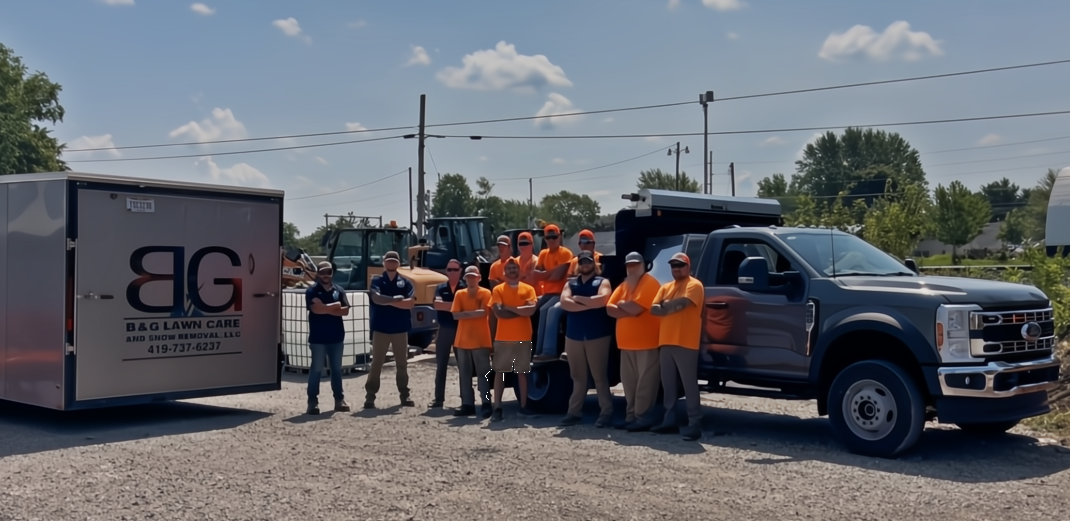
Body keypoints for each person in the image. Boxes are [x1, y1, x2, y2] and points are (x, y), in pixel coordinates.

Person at [650, 252, 705, 441]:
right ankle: (669, 420)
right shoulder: (666, 287)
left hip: (686, 341)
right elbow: (653, 309)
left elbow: (684, 303)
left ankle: (694, 423)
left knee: (689, 384)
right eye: (673, 266)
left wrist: (666, 306)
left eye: (680, 265)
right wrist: (671, 306)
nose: (676, 269)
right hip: (665, 341)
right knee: (668, 385)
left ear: (688, 267)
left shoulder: (694, 285)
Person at [606, 252, 662, 431]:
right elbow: (609, 309)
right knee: (629, 384)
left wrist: (623, 305)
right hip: (625, 344)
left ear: (643, 265)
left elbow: (636, 308)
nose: (632, 267)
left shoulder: (649, 282)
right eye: (629, 265)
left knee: (646, 383)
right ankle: (631, 416)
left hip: (647, 343)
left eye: (636, 264)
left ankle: (643, 417)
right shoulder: (624, 284)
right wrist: (627, 307)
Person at [558, 250, 615, 427]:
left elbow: (603, 300)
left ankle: (606, 411)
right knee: (577, 376)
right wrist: (589, 304)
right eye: (582, 262)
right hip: (573, 335)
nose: (585, 265)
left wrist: (579, 299)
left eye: (588, 262)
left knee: (599, 376)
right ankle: (574, 412)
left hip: (597, 334)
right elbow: (564, 303)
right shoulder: (571, 282)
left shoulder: (602, 281)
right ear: (578, 264)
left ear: (594, 264)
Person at [489, 257, 539, 422]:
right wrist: (520, 310)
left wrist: (509, 307)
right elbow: (498, 313)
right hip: (503, 337)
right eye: (509, 268)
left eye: (514, 268)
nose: (512, 270)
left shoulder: (529, 289)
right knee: (500, 372)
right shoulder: (498, 290)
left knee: (521, 373)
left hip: (523, 336)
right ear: (504, 272)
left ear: (519, 270)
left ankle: (524, 407)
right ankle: (497, 406)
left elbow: (531, 310)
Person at [365, 251, 416, 409]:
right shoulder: (377, 280)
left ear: (399, 263)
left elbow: (410, 303)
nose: (391, 263)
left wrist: (387, 301)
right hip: (381, 328)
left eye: (394, 261)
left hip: (400, 329)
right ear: (384, 263)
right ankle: (370, 396)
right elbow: (376, 298)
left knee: (402, 364)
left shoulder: (406, 282)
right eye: (389, 261)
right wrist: (396, 299)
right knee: (377, 364)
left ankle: (404, 395)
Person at [304, 261, 351, 415]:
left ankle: (339, 400)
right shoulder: (311, 291)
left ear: (332, 273)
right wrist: (335, 306)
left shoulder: (340, 290)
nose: (325, 275)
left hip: (336, 337)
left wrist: (325, 307)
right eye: (322, 272)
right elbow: (315, 309)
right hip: (318, 338)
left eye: (328, 272)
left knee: (336, 370)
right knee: (316, 369)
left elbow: (345, 311)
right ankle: (312, 402)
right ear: (318, 273)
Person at [450, 266, 495, 418]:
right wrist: (472, 313)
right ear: (465, 279)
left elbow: (484, 312)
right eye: (468, 277)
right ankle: (467, 404)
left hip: (481, 339)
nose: (471, 279)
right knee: (464, 373)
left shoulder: (486, 292)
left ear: (479, 278)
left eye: (473, 276)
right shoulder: (459, 293)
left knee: (483, 373)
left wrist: (465, 313)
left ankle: (486, 403)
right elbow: (455, 315)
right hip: (462, 340)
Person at [532, 224, 573, 361]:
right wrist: (552, 273)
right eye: (548, 237)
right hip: (547, 293)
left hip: (561, 293)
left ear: (559, 236)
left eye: (554, 236)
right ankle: (534, 350)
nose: (551, 240)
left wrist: (545, 274)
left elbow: (558, 277)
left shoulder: (565, 253)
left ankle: (548, 351)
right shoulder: (543, 253)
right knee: (531, 305)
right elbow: (535, 275)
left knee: (547, 310)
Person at [429, 259, 464, 409]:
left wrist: (448, 306)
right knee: (441, 364)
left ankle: (466, 399)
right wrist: (458, 307)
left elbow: (466, 307)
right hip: (444, 328)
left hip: (462, 329)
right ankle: (438, 399)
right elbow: (437, 304)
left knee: (463, 366)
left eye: (455, 269)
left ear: (460, 271)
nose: (452, 272)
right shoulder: (440, 287)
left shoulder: (465, 287)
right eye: (449, 269)